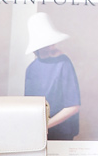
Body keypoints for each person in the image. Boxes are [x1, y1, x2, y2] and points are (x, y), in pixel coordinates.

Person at [24, 12, 81, 140]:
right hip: (39, 134)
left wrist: (45, 126)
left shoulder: (63, 63)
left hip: (62, 134)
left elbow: (73, 106)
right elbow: (30, 106)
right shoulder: (31, 69)